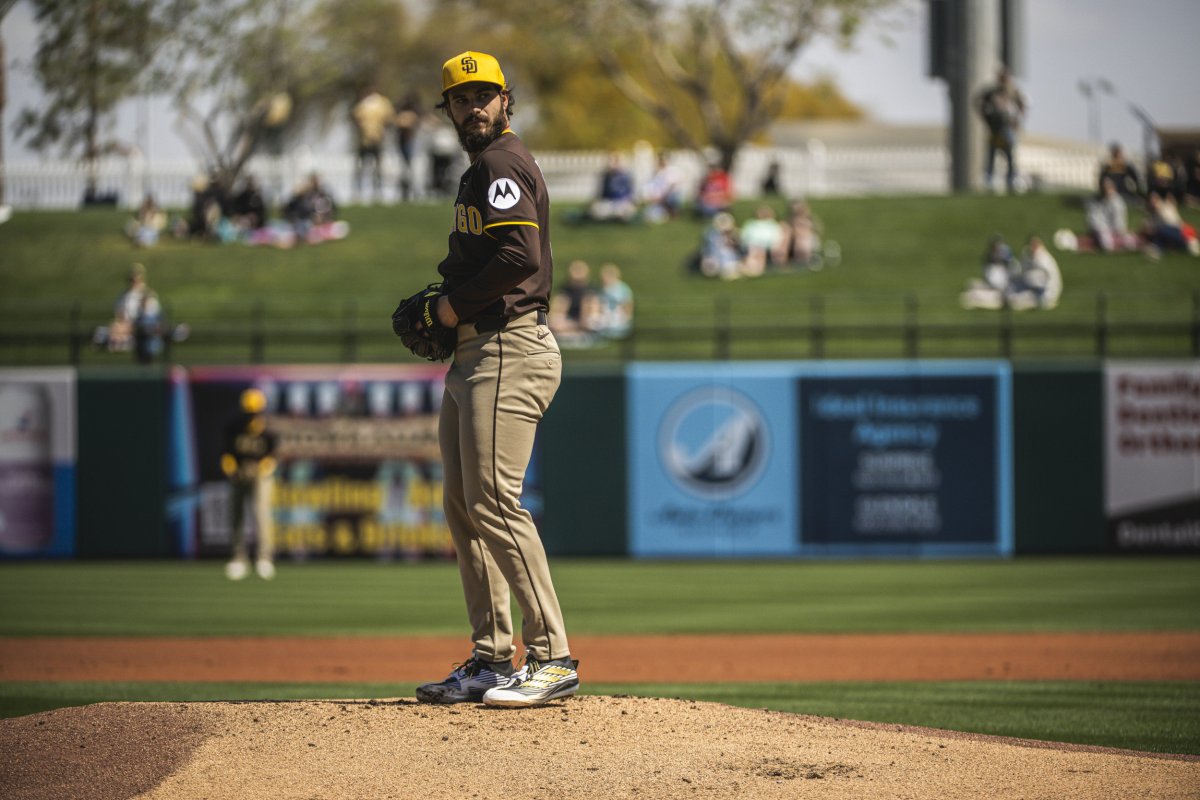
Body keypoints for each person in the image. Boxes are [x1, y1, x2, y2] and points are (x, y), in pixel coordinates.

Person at [414, 50, 578, 708]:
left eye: (484, 95)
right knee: (465, 506)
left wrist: (448, 308)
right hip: (477, 352)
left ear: (507, 101)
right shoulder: (479, 169)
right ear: (447, 110)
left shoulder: (501, 163)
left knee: (493, 503)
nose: (473, 106)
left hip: (507, 345)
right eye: (460, 98)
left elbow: (518, 255)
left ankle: (551, 656)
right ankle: (489, 657)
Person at [221, 387, 278, 581]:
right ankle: (238, 558)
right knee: (236, 514)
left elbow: (271, 457)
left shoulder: (267, 431)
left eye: (254, 412)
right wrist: (231, 468)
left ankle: (264, 558)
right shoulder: (234, 428)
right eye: (249, 412)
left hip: (260, 477)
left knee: (261, 513)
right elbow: (227, 453)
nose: (251, 416)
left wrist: (262, 469)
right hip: (239, 474)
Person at [976, 66, 1026, 193]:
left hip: (1008, 128)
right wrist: (987, 115)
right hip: (995, 129)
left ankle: (1011, 180)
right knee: (991, 155)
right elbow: (977, 101)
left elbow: (1023, 105)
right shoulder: (992, 92)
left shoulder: (1013, 92)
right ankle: (989, 181)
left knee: (1009, 156)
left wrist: (1017, 119)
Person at [111, 263, 165, 363]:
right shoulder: (124, 296)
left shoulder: (149, 295)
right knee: (116, 327)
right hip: (127, 326)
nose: (134, 281)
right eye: (132, 279)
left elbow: (151, 317)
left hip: (143, 327)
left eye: (137, 278)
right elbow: (119, 315)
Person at [351, 85, 395, 203]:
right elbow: (390, 119)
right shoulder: (383, 103)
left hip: (366, 139)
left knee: (363, 167)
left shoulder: (364, 104)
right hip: (376, 138)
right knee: (376, 168)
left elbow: (355, 118)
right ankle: (376, 193)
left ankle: (361, 192)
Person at [1007, 235, 1063, 310]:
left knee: (1017, 298)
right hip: (1032, 287)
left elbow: (1051, 280)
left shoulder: (1044, 259)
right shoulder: (1027, 255)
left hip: (1045, 292)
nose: (1033, 248)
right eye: (1032, 245)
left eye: (1036, 245)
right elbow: (1022, 270)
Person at [586, 151, 638, 222]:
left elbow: (631, 195)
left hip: (622, 203)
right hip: (608, 203)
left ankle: (617, 217)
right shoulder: (605, 176)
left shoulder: (626, 176)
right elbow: (600, 195)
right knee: (597, 209)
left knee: (626, 210)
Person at [739, 204, 787, 276]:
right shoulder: (750, 223)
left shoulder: (772, 224)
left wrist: (774, 244)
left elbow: (776, 236)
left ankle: (756, 269)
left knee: (760, 251)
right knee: (754, 251)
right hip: (752, 244)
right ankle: (751, 268)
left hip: (767, 244)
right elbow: (744, 235)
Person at [590, 263, 634, 338]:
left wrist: (624, 319)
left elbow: (627, 307)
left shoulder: (623, 289)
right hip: (604, 317)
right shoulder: (600, 289)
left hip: (617, 317)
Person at [698, 211, 744, 279]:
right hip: (714, 259)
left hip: (730, 259)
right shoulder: (711, 234)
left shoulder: (735, 234)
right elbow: (707, 250)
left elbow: (741, 250)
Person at [393, 91, 422, 200]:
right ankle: (407, 192)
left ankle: (411, 192)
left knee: (408, 168)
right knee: (406, 168)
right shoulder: (405, 115)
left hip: (408, 143)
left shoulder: (409, 115)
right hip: (404, 143)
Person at [641, 152, 682, 223]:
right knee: (651, 213)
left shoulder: (671, 171)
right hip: (657, 199)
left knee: (673, 196)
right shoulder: (655, 174)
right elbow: (649, 189)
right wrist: (653, 197)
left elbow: (673, 186)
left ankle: (672, 212)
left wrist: (662, 197)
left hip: (666, 196)